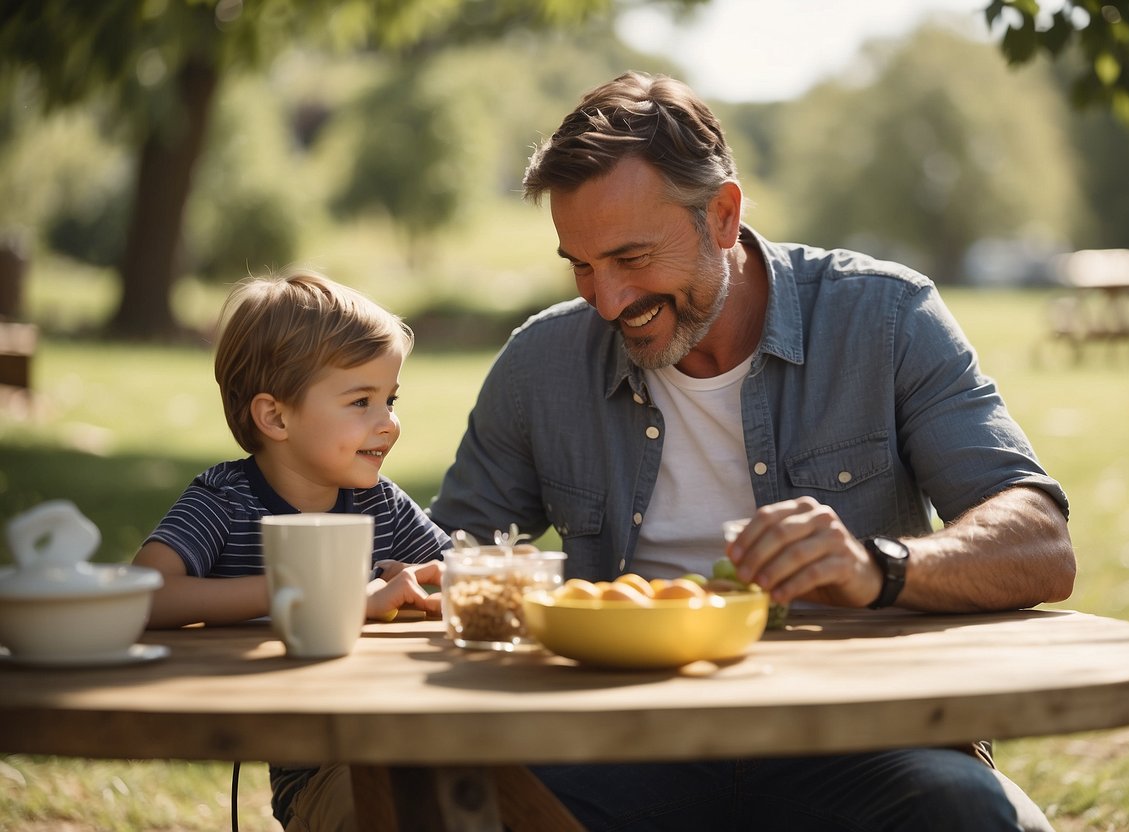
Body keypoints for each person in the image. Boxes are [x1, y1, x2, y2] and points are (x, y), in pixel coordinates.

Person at [427, 71, 1075, 831]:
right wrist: (408, 566)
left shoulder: (886, 316)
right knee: (455, 805)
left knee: (964, 813)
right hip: (621, 742)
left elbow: (1040, 542)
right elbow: (454, 555)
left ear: (723, 215)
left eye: (631, 259)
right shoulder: (540, 363)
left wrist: (879, 568)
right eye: (580, 264)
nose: (605, 301)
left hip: (853, 733)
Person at [134, 269, 450, 831]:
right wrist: (315, 594)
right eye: (361, 401)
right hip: (324, 772)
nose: (390, 424)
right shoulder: (226, 501)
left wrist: (451, 582)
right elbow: (143, 596)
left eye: (390, 399)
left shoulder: (378, 502)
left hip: (423, 738)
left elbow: (454, 575)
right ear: (275, 416)